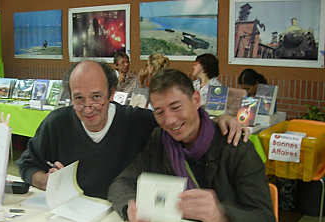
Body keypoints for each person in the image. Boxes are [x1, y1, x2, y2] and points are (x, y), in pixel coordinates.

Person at [16, 61, 249, 200]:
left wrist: (220, 120)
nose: (88, 108)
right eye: (79, 99)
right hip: (72, 217)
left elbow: (178, 120)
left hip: (121, 219)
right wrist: (44, 180)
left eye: (97, 97)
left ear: (111, 93)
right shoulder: (56, 123)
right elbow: (27, 165)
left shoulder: (137, 121)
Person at [108, 68, 280, 222]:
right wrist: (129, 205)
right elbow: (121, 183)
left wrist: (222, 216)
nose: (169, 120)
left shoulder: (235, 146)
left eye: (176, 107)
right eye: (159, 112)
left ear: (196, 100)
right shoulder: (159, 140)